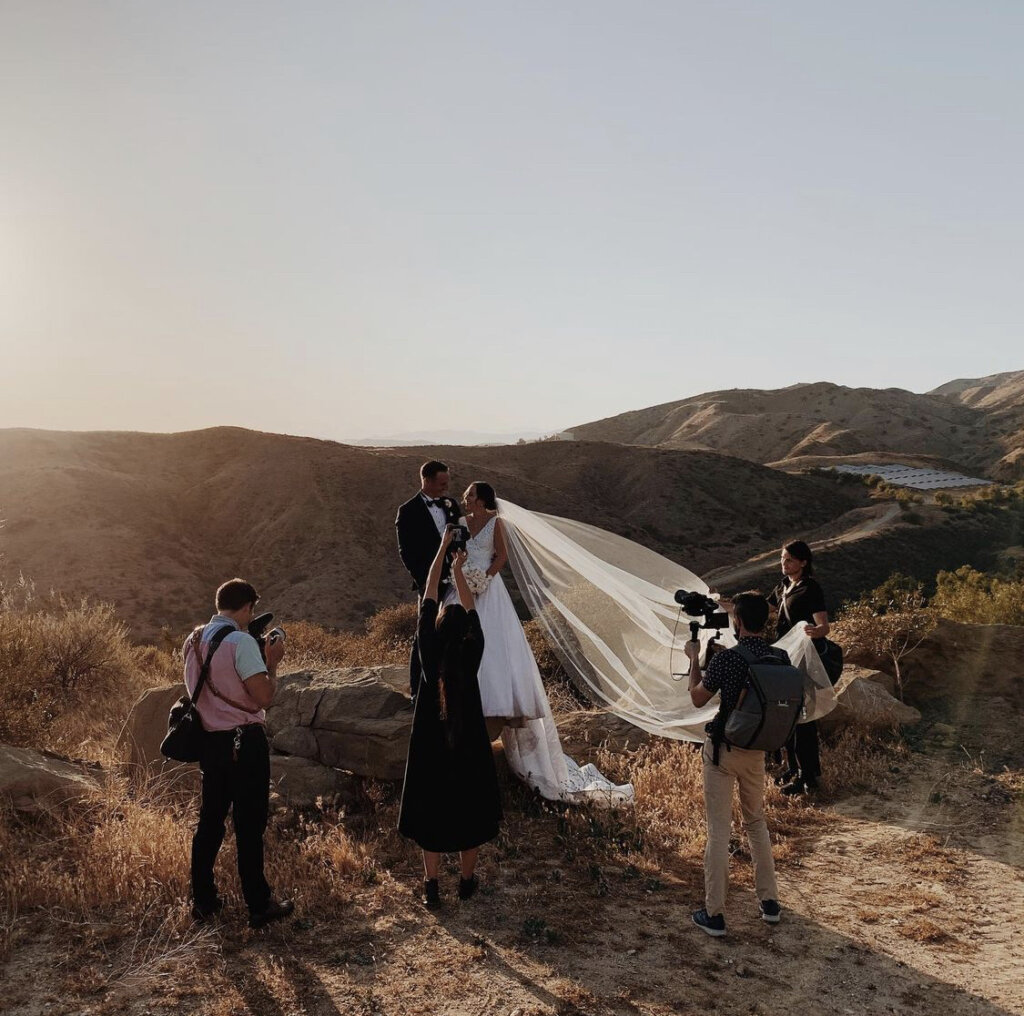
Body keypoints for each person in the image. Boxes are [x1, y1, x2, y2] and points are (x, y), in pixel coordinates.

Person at [397, 526, 502, 908]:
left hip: (430, 743)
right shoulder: (472, 652)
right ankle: (467, 881)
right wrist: (460, 572)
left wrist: (442, 548)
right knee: (468, 810)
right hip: (468, 741)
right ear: (467, 632)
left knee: (432, 813)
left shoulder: (428, 653)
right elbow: (470, 606)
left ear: (438, 624)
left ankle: (431, 886)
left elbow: (427, 591)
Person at [186, 578, 294, 929]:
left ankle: (203, 900)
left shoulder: (193, 641)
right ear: (247, 607)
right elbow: (263, 697)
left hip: (209, 742)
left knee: (210, 823)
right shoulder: (240, 642)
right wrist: (272, 661)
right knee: (249, 825)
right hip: (244, 742)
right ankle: (259, 903)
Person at [685, 591, 784, 937]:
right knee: (756, 823)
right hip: (757, 751)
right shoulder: (780, 656)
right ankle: (770, 903)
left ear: (737, 622)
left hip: (723, 752)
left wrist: (695, 659)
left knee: (719, 832)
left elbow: (697, 699)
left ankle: (715, 914)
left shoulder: (727, 661)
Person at [453, 482, 549, 740]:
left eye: (470, 495)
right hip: (462, 584)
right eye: (466, 495)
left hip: (488, 586)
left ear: (482, 499)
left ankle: (497, 704)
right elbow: (458, 552)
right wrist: (464, 576)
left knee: (494, 642)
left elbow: (502, 555)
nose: (465, 498)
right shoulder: (461, 521)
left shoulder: (497, 523)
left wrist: (484, 579)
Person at [395, 460, 463, 698]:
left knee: (456, 630)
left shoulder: (451, 505)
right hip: (428, 582)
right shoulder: (408, 510)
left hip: (457, 579)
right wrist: (426, 581)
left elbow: (460, 538)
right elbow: (406, 551)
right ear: (427, 480)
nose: (446, 488)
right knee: (424, 633)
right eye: (442, 483)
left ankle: (449, 686)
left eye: (447, 483)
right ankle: (418, 689)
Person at [768, 540, 830, 796]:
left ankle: (808, 776)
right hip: (785, 655)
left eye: (790, 559)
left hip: (804, 659)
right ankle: (795, 768)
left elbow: (824, 626)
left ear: (803, 562)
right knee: (790, 715)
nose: (785, 563)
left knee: (802, 717)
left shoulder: (810, 587)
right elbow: (765, 609)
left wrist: (815, 632)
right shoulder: (783, 586)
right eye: (783, 558)